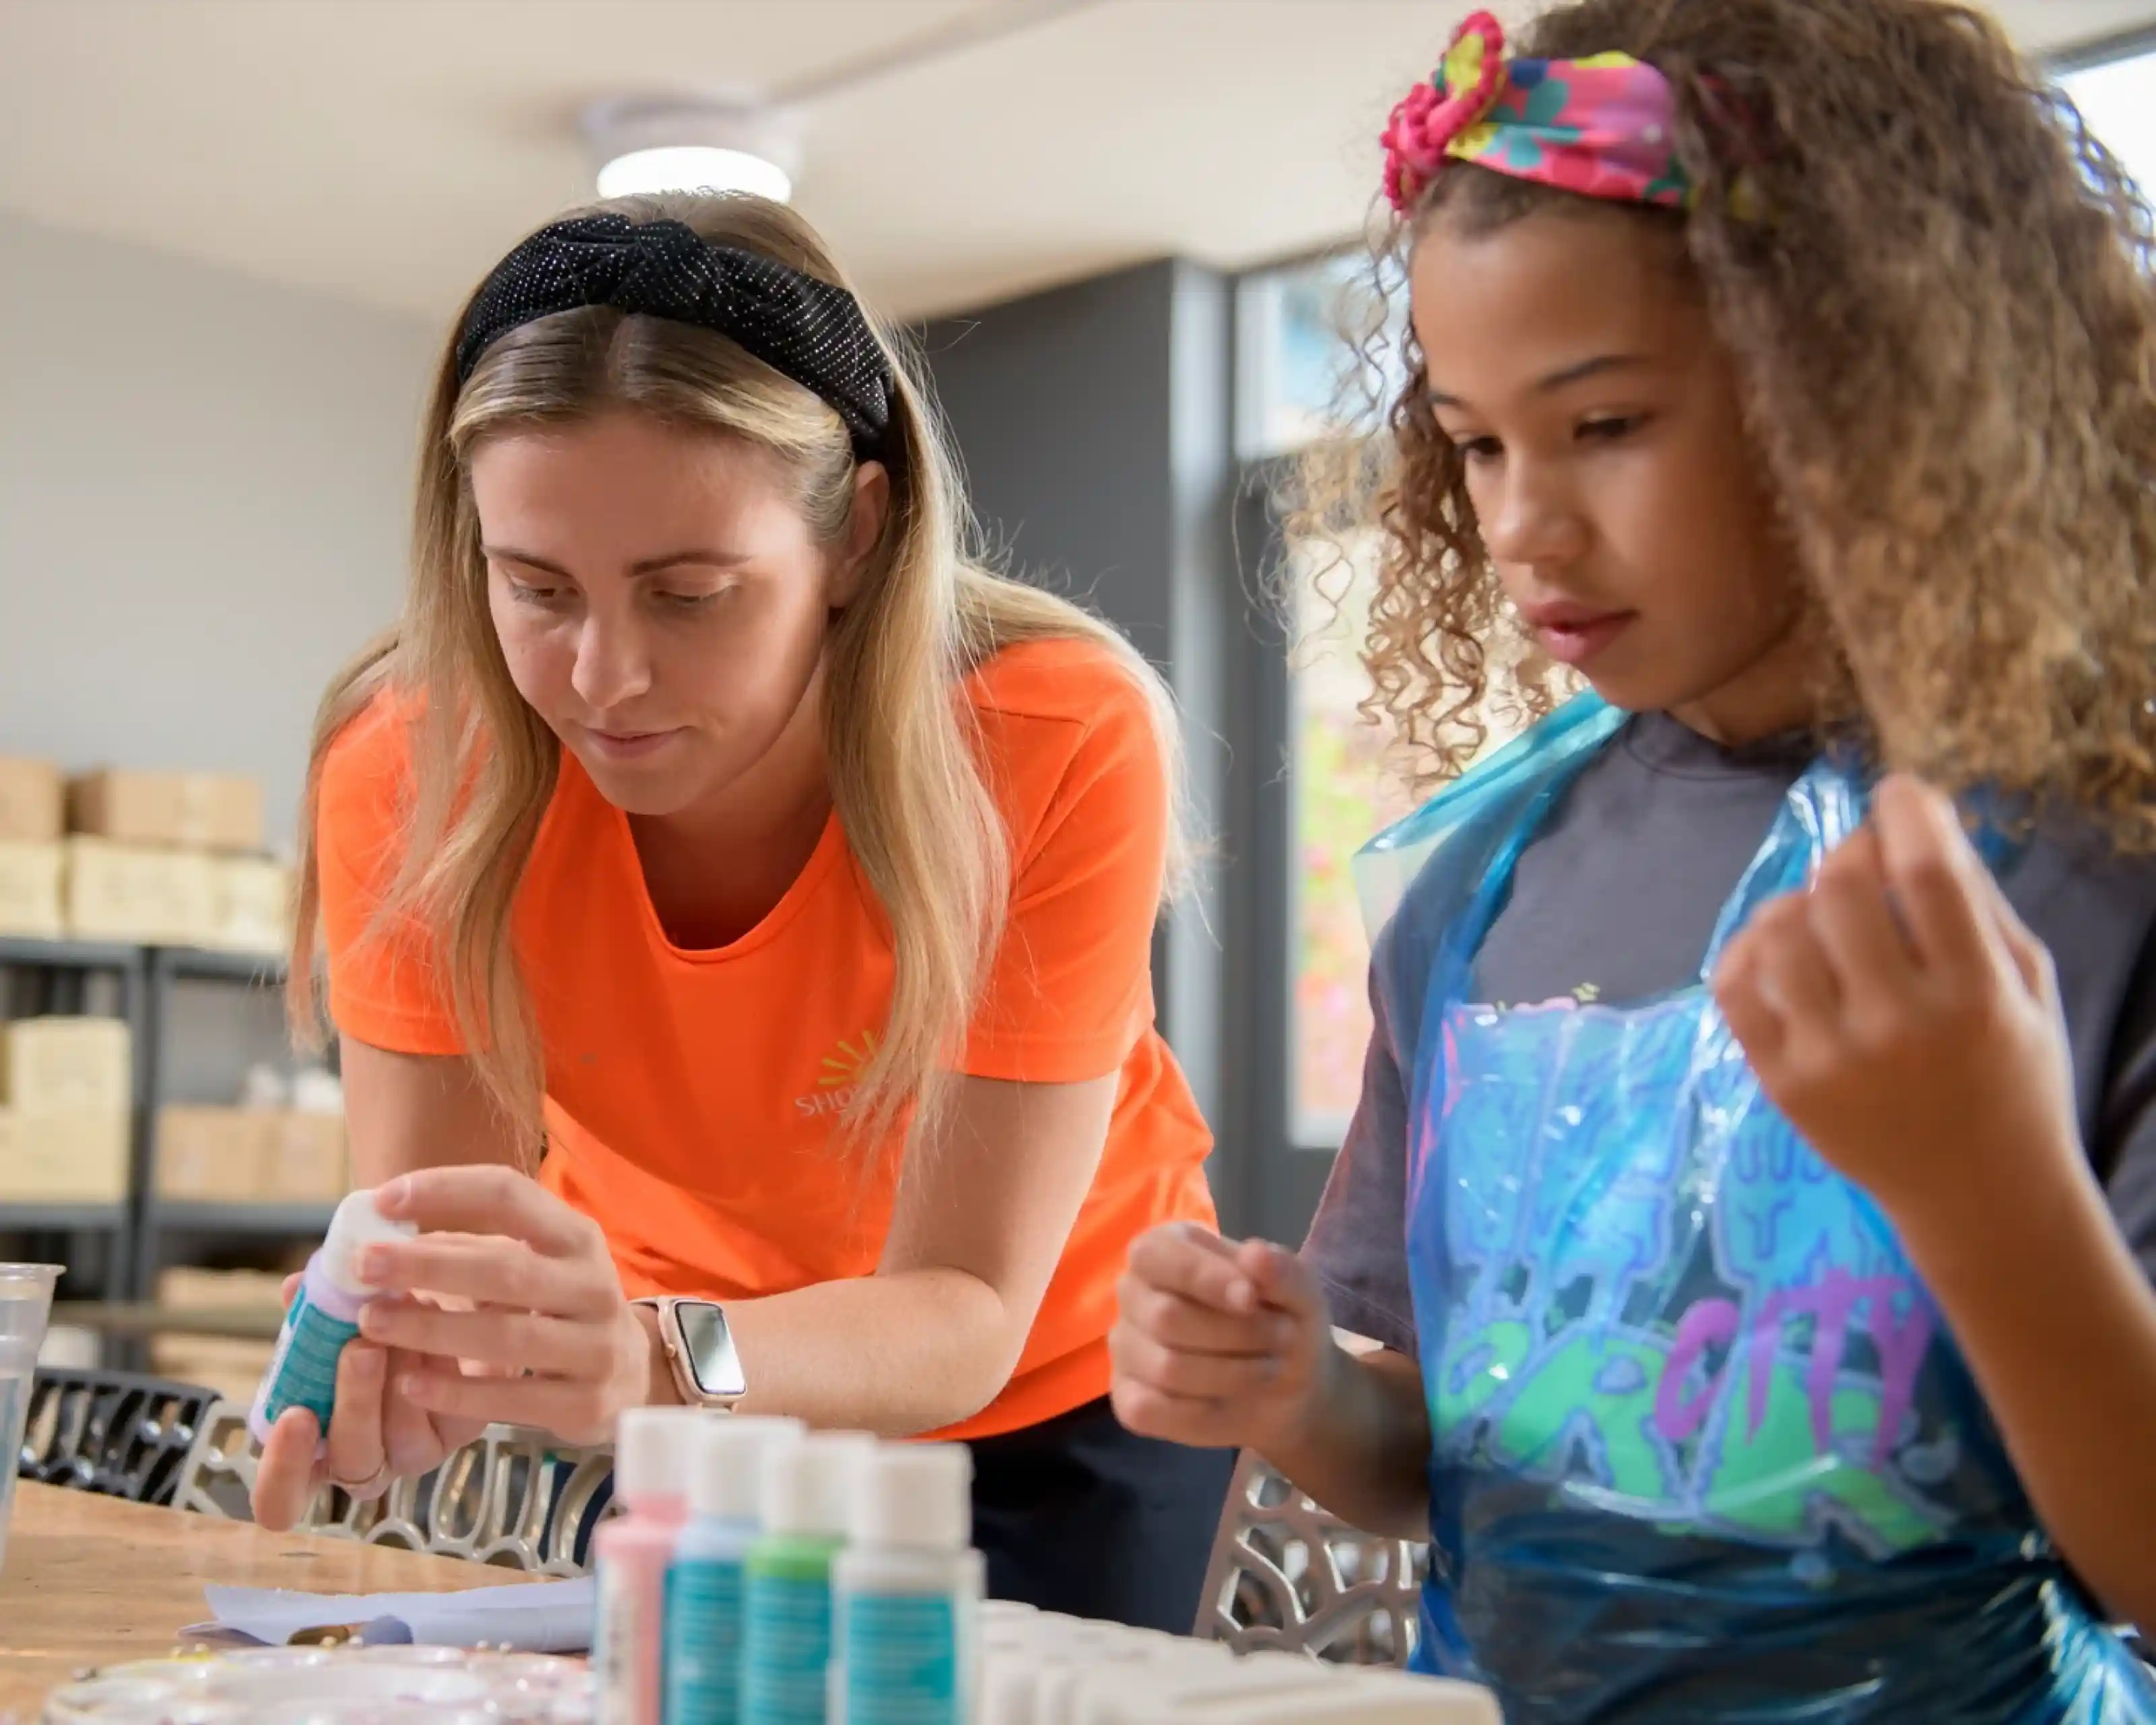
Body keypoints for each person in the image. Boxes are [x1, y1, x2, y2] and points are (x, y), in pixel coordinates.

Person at [1110, 1, 2156, 1714]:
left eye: (1603, 426)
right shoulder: (1473, 894)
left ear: (1859, 389)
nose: (1521, 522)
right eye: (1475, 440)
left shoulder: (2086, 876)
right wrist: (1298, 1387)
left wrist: (1990, 1191)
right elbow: (1453, 1460)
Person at [252, 192, 1230, 1632]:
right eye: (535, 587)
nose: (603, 677)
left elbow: (963, 1304)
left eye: (690, 593)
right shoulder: (411, 767)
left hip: (1055, 1397)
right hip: (694, 1389)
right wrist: (413, 1352)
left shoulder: (1047, 735)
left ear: (858, 535)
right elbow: (457, 1248)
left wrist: (649, 1359)